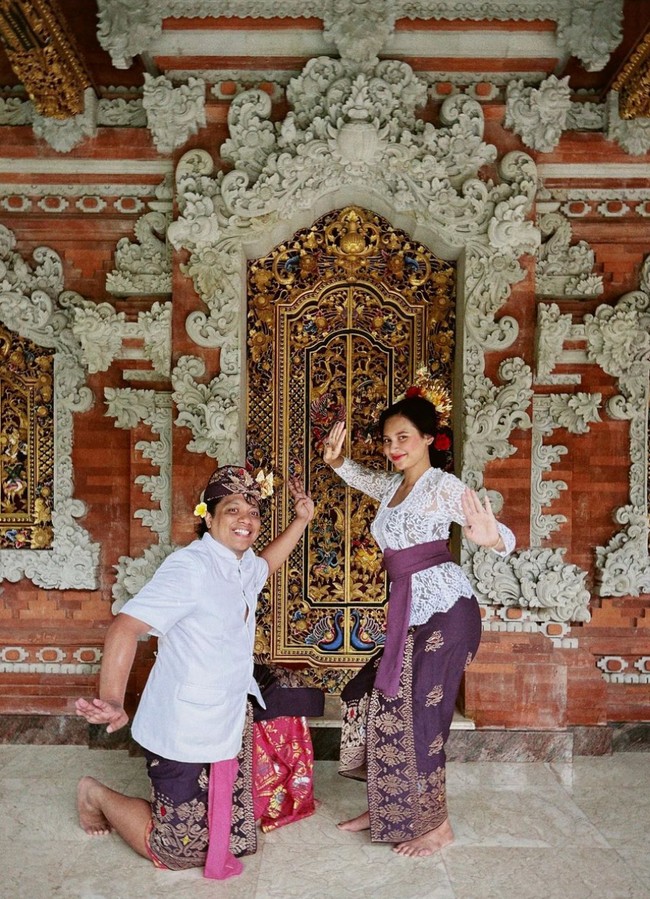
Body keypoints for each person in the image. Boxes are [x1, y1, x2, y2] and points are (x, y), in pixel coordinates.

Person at [75, 465, 314, 880]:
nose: (246, 520)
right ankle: (94, 793)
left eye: (254, 512)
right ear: (208, 516)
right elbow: (125, 627)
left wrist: (301, 519)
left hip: (225, 716)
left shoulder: (241, 566)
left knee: (233, 834)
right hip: (182, 724)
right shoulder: (191, 567)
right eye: (233, 509)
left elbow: (267, 563)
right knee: (178, 852)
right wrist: (112, 698)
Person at [322, 392, 515, 858]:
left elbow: (500, 534)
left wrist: (492, 538)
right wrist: (336, 461)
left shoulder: (442, 487)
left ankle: (438, 826)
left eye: (404, 437)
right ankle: (386, 804)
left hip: (447, 611)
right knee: (375, 699)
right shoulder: (393, 487)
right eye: (388, 440)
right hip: (410, 612)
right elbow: (363, 478)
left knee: (424, 718)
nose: (394, 447)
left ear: (429, 437)